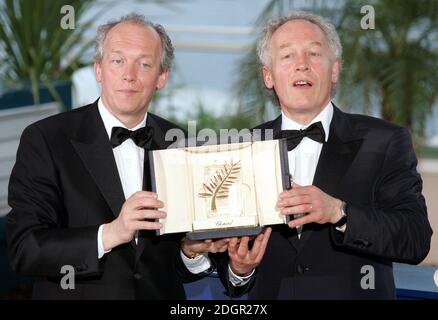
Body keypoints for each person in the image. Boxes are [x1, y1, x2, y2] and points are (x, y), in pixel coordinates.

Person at [5, 13, 229, 299]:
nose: (129, 75)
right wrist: (110, 233)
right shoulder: (46, 139)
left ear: (162, 77)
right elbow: (26, 249)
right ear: (98, 69)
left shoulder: (183, 144)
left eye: (144, 64)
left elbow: (174, 264)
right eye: (117, 61)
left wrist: (190, 253)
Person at [223, 11, 433, 299]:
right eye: (287, 56)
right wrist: (239, 268)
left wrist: (339, 212)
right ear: (268, 76)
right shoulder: (241, 149)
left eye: (313, 53)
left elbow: (415, 239)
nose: (301, 65)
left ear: (334, 70)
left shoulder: (385, 140)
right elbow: (230, 273)